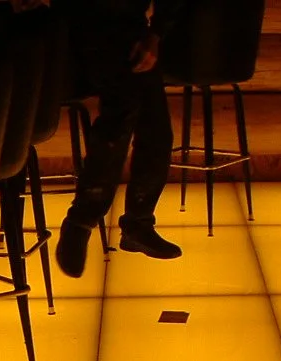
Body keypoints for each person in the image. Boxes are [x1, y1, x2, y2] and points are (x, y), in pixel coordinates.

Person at [55, 0, 185, 278]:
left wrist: (154, 35)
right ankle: (132, 221)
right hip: (74, 34)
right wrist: (155, 35)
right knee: (139, 114)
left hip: (126, 32)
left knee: (146, 119)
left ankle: (86, 218)